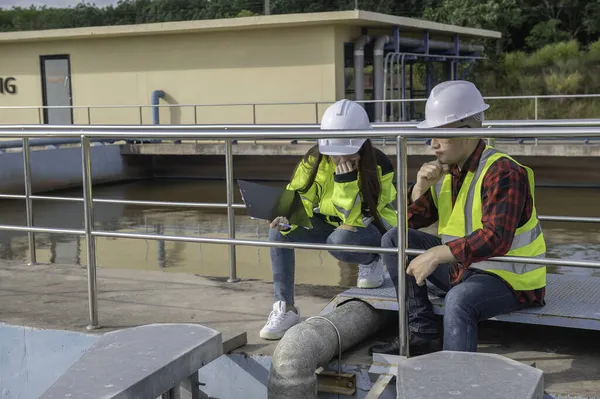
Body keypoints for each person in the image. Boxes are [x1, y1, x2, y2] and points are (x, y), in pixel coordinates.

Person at [370, 80, 547, 355]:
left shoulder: (503, 172)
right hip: (464, 268)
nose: (433, 145)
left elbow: (496, 238)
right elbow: (405, 223)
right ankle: (422, 332)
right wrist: (418, 189)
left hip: (511, 279)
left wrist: (437, 254)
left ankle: (455, 381)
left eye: (441, 134)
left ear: (467, 132)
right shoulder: (447, 172)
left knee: (459, 299)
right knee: (394, 239)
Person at [259, 99, 398, 340]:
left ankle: (372, 258)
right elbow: (299, 196)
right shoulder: (316, 160)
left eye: (348, 153)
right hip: (334, 224)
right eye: (335, 154)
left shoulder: (379, 164)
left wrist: (345, 183)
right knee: (278, 233)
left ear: (363, 144)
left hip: (371, 227)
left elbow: (358, 218)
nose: (340, 159)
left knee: (340, 240)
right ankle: (285, 308)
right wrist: (286, 216)